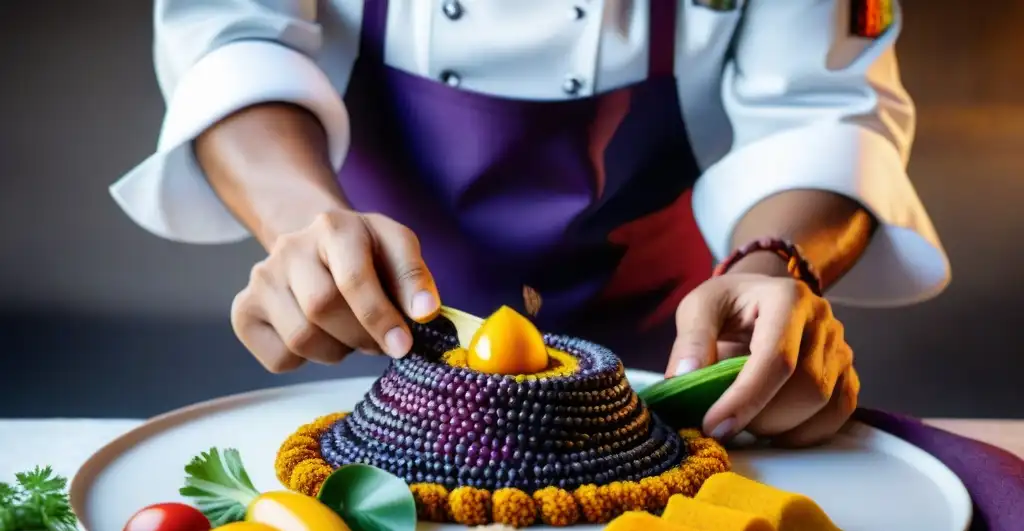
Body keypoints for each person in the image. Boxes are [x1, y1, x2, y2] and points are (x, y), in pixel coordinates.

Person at [111, 0, 948, 447]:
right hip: (368, 361)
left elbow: (825, 111)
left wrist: (772, 268)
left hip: (672, 377)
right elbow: (234, 35)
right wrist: (306, 226)